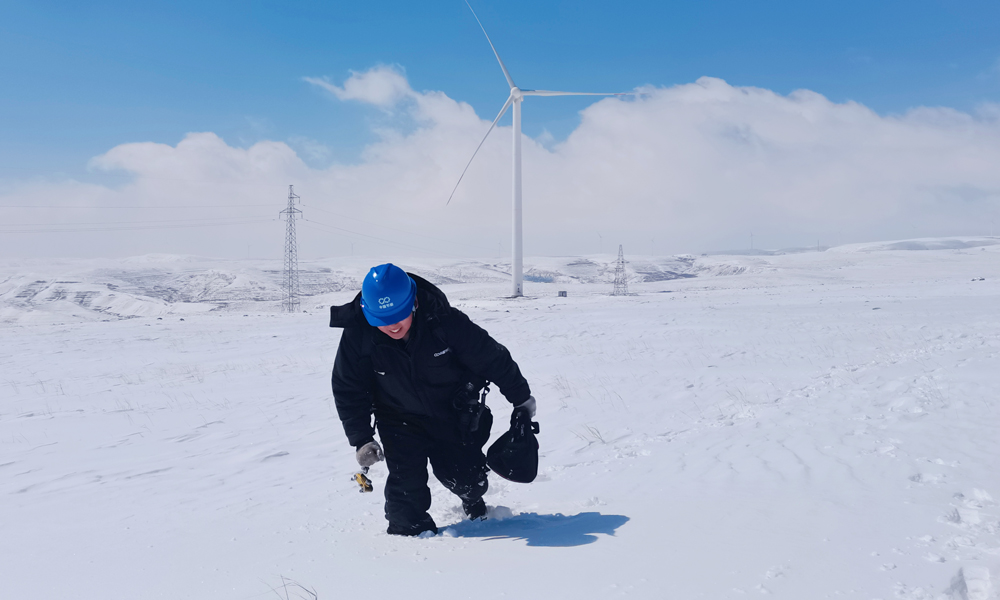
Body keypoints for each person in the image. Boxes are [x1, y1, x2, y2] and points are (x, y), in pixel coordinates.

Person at [329, 263, 536, 536]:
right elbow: (348, 388)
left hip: (452, 415)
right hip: (397, 419)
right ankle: (411, 553)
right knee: (405, 503)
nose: (392, 326)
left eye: (398, 315)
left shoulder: (445, 322)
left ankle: (472, 499)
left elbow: (492, 358)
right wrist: (361, 438)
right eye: (382, 319)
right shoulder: (359, 335)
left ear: (413, 303)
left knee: (467, 481)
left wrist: (521, 400)